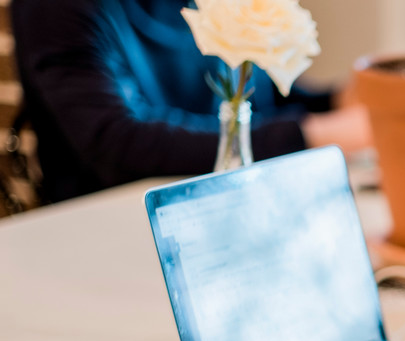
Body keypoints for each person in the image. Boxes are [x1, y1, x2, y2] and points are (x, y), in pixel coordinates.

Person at [10, 0, 370, 204]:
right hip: (108, 236)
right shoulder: (54, 9)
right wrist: (314, 134)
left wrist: (336, 101)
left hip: (228, 209)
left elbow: (254, 95)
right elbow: (117, 145)